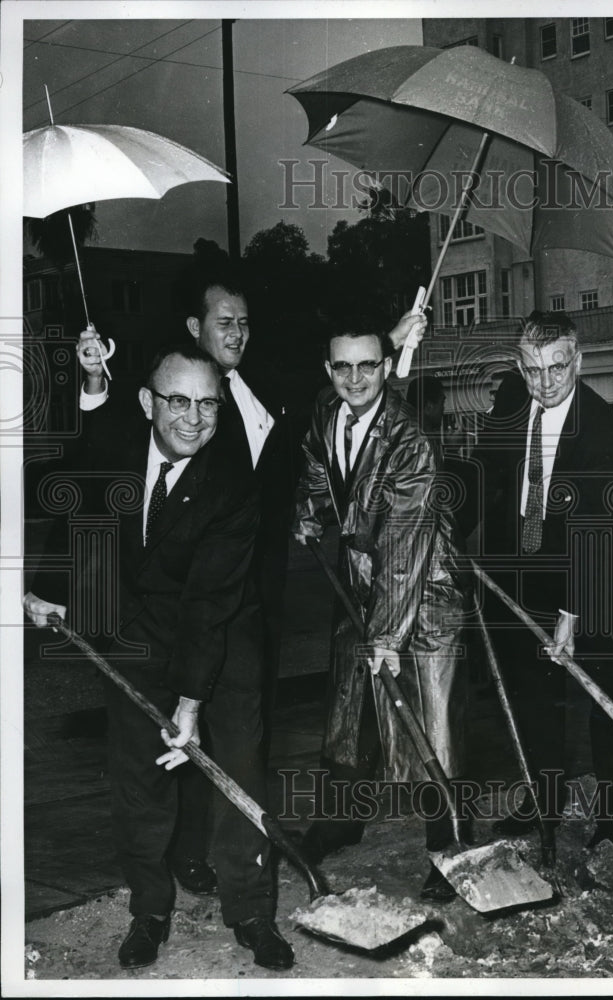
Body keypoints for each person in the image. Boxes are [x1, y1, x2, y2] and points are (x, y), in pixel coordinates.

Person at [76, 272, 429, 896]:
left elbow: (349, 390)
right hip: (189, 603)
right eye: (223, 322)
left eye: (243, 322)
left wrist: (395, 342)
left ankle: (242, 855)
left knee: (244, 731)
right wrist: (95, 380)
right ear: (195, 329)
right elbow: (106, 445)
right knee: (183, 724)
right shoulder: (180, 401)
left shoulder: (266, 384)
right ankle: (188, 855)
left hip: (256, 594)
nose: (236, 333)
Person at [24, 344, 294, 970]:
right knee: (139, 780)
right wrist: (48, 588)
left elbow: (208, 605)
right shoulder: (117, 454)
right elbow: (79, 510)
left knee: (238, 776)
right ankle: (149, 909)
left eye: (208, 404)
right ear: (147, 402)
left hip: (223, 643)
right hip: (139, 635)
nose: (194, 418)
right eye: (179, 401)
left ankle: (252, 912)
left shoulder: (232, 487)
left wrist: (190, 704)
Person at [292, 323, 469, 901]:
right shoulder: (328, 414)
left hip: (424, 591)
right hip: (366, 585)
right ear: (327, 371)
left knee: (429, 724)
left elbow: (404, 542)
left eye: (367, 366)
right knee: (348, 711)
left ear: (386, 366)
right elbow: (319, 470)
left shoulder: (409, 439)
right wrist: (310, 511)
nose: (355, 379)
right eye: (342, 367)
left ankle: (449, 849)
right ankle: (339, 821)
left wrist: (388, 637)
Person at [477, 311, 613, 850]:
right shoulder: (511, 402)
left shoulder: (603, 430)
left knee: (608, 695)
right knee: (532, 692)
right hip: (534, 566)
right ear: (519, 365)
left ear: (578, 361)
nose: (545, 383)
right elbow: (485, 472)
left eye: (557, 368)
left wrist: (572, 617)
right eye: (533, 370)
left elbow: (590, 532)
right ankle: (542, 796)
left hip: (606, 575)